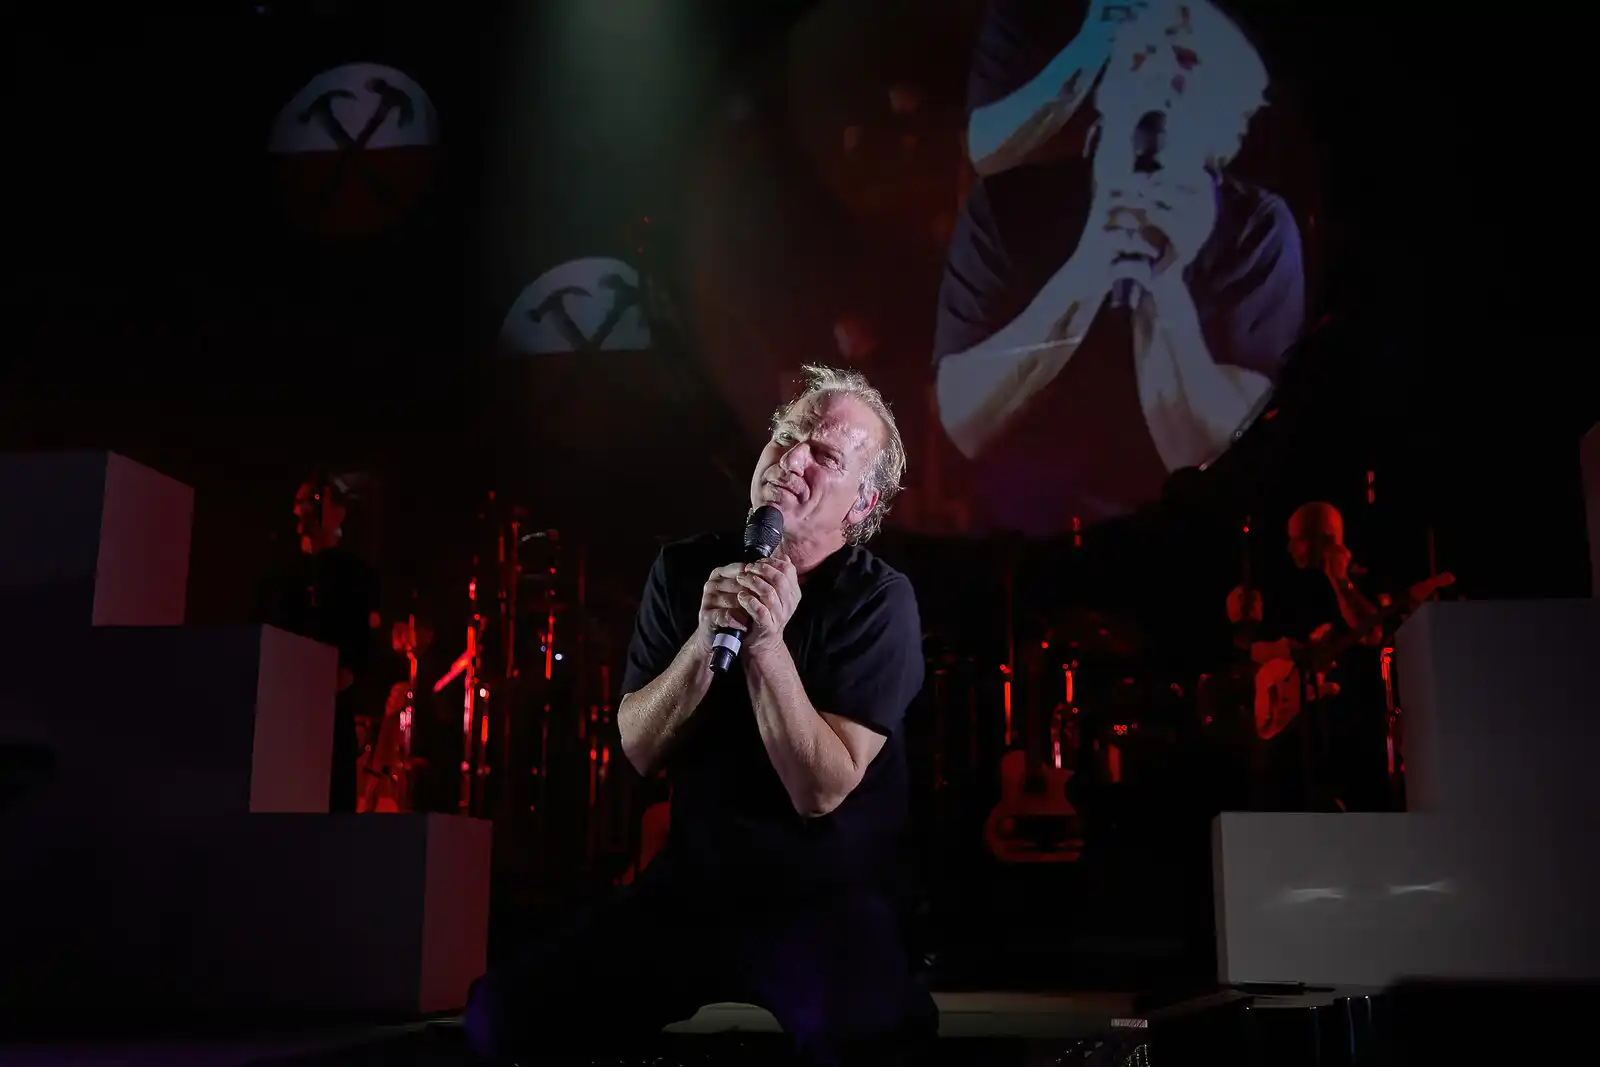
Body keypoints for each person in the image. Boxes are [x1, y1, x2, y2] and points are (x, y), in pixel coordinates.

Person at [466, 366, 935, 1066]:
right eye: (786, 436)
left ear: (861, 502)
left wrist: (766, 644)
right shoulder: (686, 570)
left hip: (823, 892)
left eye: (824, 453)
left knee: (871, 1035)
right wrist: (703, 641)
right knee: (503, 1015)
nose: (791, 458)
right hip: (697, 884)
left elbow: (821, 788)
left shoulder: (878, 601)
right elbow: (638, 746)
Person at [934, 0, 1305, 532]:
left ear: (1227, 123)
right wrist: (1089, 269)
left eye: (1187, 63)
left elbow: (1211, 447)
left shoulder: (1257, 229)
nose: (1160, 80)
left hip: (1182, 535)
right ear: (1104, 87)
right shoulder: (1006, 208)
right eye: (1143, 55)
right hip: (1021, 530)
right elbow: (966, 423)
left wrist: (1164, 287)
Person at [1227, 502, 1391, 811]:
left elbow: (1371, 633)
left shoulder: (1357, 583)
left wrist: (1340, 580)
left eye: (1298, 540)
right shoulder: (1290, 587)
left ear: (1325, 540)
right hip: (1297, 742)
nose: (1290, 548)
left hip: (1346, 739)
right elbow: (1252, 650)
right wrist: (1248, 630)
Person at [258, 474, 380, 813]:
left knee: (332, 801)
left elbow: (363, 641)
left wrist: (344, 674)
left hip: (330, 711)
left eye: (309, 502)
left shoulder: (351, 573)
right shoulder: (286, 572)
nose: (298, 511)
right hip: (288, 712)